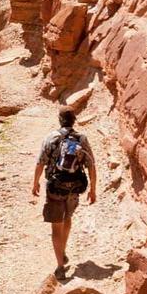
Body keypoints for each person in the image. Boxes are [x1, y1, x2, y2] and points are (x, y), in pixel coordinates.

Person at [32, 106, 97, 280]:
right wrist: (93, 189)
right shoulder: (82, 139)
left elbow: (40, 162)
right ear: (74, 120)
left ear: (60, 120)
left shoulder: (51, 137)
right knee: (67, 218)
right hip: (75, 187)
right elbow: (91, 165)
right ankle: (63, 251)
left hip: (56, 187)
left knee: (56, 225)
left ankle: (60, 266)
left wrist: (35, 183)